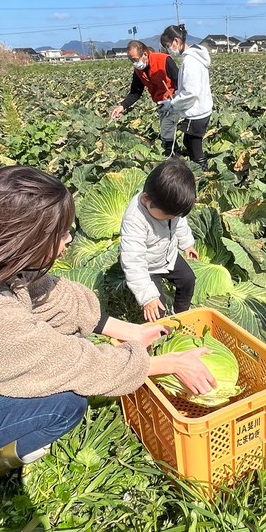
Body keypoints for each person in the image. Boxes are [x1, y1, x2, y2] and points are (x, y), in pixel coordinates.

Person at [0, 166, 214, 521]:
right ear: (24, 240)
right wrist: (165, 364)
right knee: (64, 405)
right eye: (61, 232)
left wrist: (122, 329)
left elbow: (45, 295)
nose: (69, 239)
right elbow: (71, 365)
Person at [120, 159, 199, 323]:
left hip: (168, 256)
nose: (171, 219)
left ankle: (180, 314)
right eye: (167, 216)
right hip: (148, 267)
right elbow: (133, 261)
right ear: (145, 199)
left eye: (174, 216)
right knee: (157, 309)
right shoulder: (134, 220)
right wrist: (147, 297)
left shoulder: (168, 205)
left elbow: (180, 224)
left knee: (188, 280)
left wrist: (187, 244)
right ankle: (159, 337)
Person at [157, 24, 213, 168]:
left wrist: (172, 105)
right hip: (203, 109)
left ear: (176, 41)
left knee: (195, 150)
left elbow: (190, 93)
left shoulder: (190, 62)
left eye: (168, 45)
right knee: (189, 142)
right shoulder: (197, 56)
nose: (168, 49)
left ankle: (203, 176)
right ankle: (199, 173)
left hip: (196, 113)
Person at [108, 40, 179, 134]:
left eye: (135, 59)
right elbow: (136, 92)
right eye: (131, 60)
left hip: (176, 104)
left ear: (145, 54)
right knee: (167, 137)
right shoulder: (138, 70)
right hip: (162, 106)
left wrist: (175, 97)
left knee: (175, 136)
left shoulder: (164, 60)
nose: (134, 63)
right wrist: (122, 106)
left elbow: (180, 81)